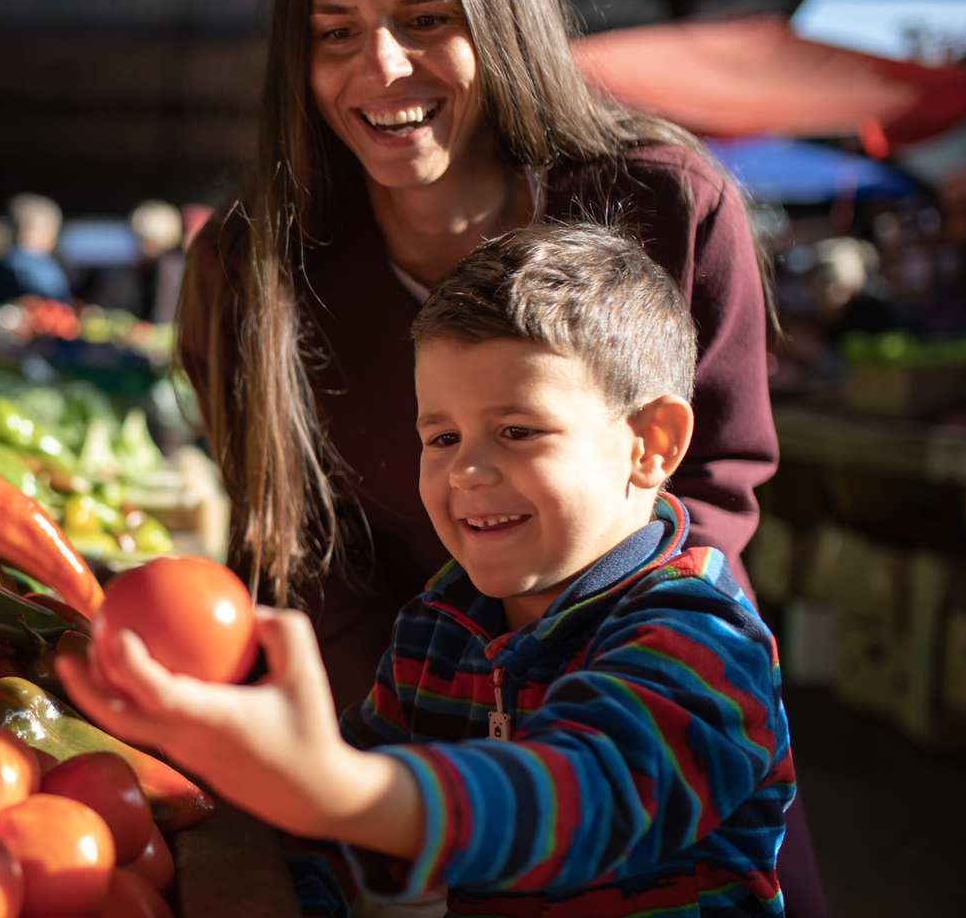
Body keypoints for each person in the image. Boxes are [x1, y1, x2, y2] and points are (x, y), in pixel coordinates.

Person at [172, 0, 822, 910]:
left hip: (642, 738)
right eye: (335, 34)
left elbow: (715, 488)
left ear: (502, 10)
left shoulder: (670, 204)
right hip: (409, 740)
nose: (379, 69)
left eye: (426, 19)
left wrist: (383, 784)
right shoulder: (252, 269)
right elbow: (299, 544)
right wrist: (373, 778)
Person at [65, 224, 794, 916]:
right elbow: (348, 841)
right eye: (441, 437)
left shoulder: (703, 639)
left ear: (652, 444)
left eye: (518, 431)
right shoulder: (439, 629)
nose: (468, 471)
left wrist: (339, 789)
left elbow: (584, 801)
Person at [0, 192, 70, 302]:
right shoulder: (37, 267)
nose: (54, 240)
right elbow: (62, 302)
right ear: (25, 232)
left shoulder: (0, 264)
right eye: (50, 233)